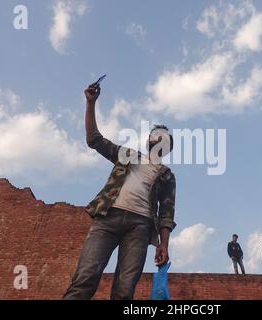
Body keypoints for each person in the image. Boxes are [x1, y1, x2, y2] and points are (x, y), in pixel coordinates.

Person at [63, 82, 177, 300]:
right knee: (85, 279)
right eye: (156, 135)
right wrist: (90, 103)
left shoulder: (167, 175)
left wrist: (163, 245)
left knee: (125, 290)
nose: (158, 138)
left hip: (140, 227)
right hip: (108, 217)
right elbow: (94, 140)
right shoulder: (129, 156)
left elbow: (167, 214)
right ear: (149, 141)